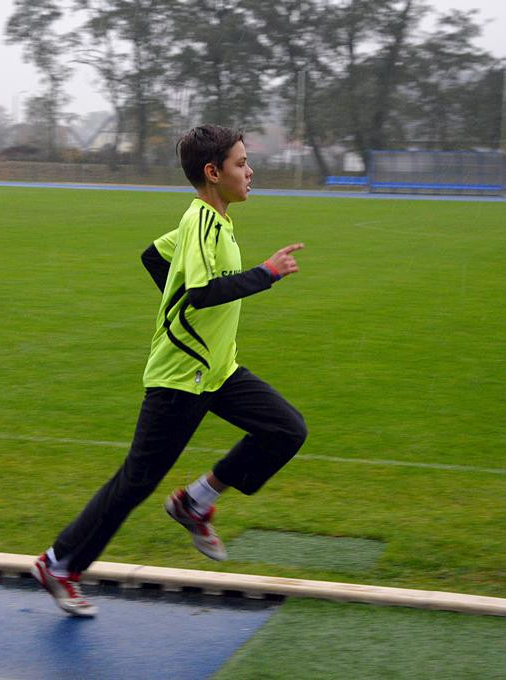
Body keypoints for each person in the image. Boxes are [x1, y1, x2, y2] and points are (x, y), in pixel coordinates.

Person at [29, 124, 308, 617]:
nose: (250, 171)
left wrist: (175, 309)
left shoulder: (210, 224)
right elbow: (201, 293)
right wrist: (264, 275)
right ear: (212, 172)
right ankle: (59, 563)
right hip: (182, 378)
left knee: (285, 429)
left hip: (218, 371)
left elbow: (152, 257)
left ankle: (194, 502)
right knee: (135, 481)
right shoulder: (200, 221)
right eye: (241, 163)